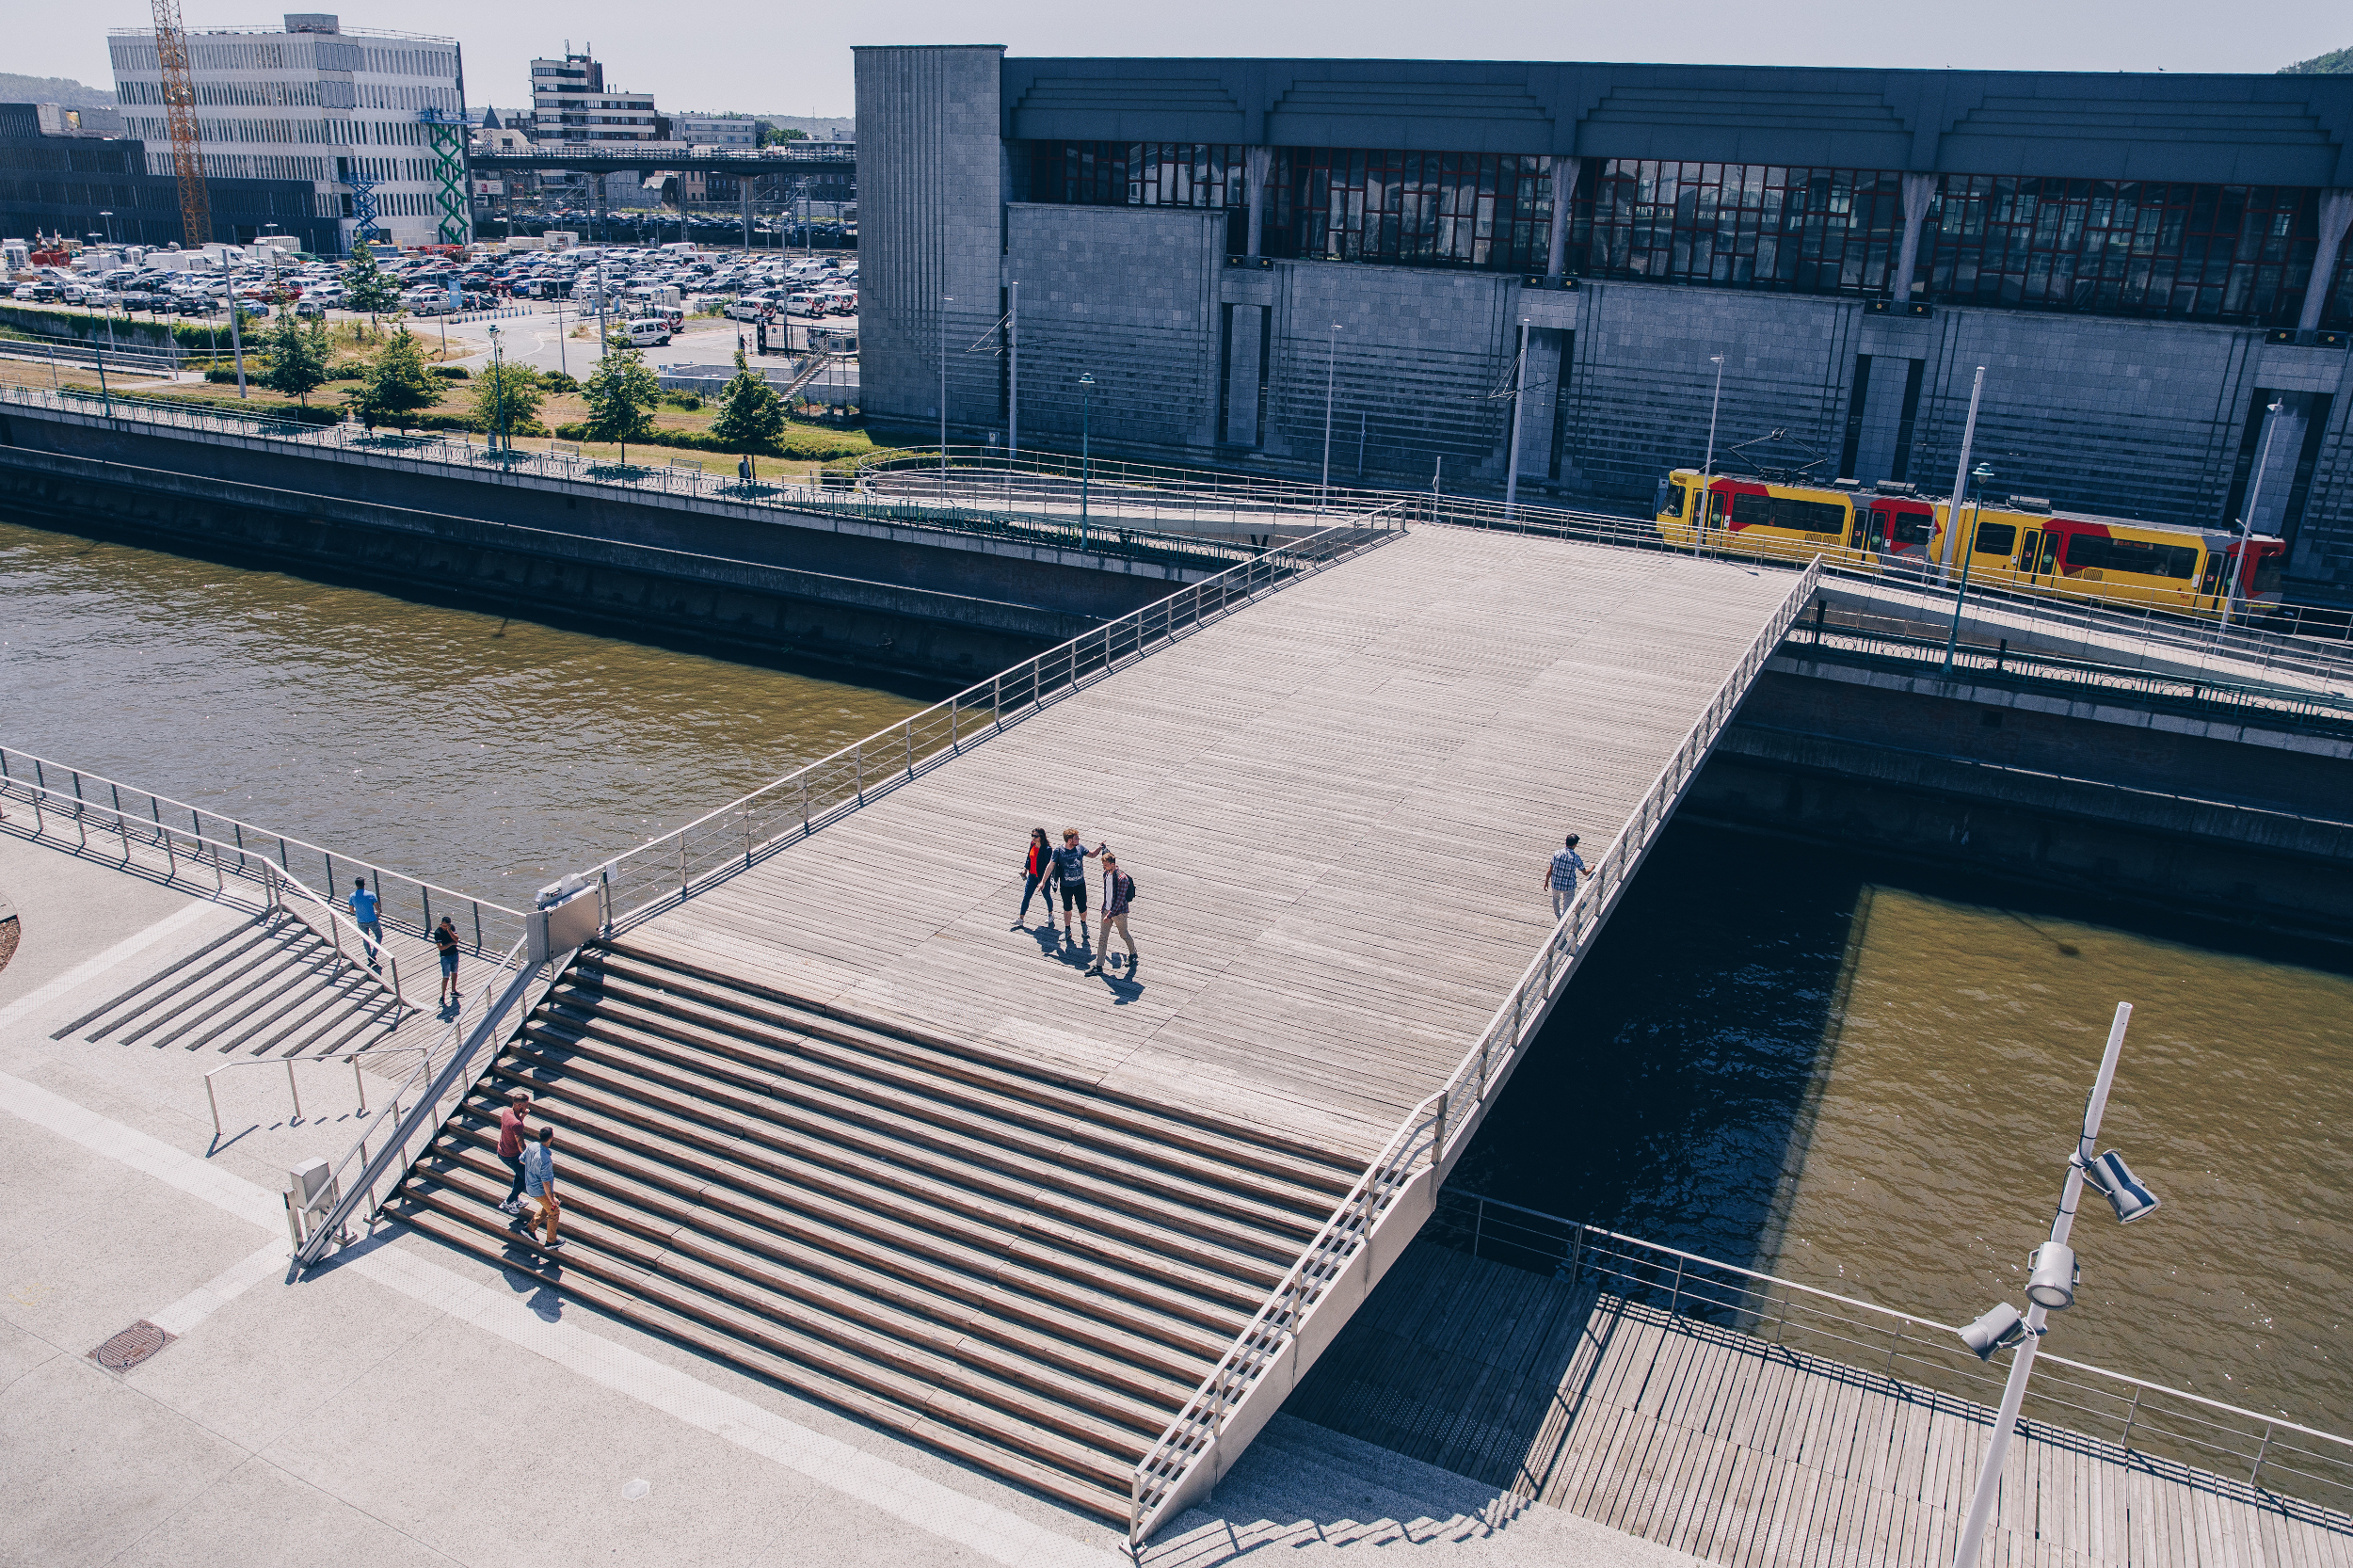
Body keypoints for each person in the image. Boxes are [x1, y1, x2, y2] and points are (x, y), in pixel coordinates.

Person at [1087, 852, 1138, 979]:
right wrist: (1104, 909)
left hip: (1119, 913)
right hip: (1107, 911)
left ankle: (1133, 954)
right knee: (1102, 938)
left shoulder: (1122, 879)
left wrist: (1109, 915)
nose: (1104, 868)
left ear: (1113, 864)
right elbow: (1108, 894)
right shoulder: (1106, 874)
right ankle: (1099, 966)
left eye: (1106, 865)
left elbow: (1120, 900)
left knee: (1124, 934)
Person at [1050, 828, 1101, 947]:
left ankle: (1084, 924)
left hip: (1080, 884)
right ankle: (1067, 930)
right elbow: (1051, 866)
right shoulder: (1059, 851)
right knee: (1067, 909)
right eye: (1076, 838)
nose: (1078, 839)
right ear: (1069, 840)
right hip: (1066, 886)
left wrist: (1100, 848)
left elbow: (1092, 854)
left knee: (1082, 908)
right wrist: (1043, 881)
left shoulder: (1080, 848)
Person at [519, 1124, 562, 1249]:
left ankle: (530, 1229)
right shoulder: (546, 1160)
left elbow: (522, 1159)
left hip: (530, 1185)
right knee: (554, 1211)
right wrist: (552, 1199)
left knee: (547, 1207)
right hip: (539, 1190)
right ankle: (551, 1241)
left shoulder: (532, 1146)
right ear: (550, 1138)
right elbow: (546, 1182)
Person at [495, 1088, 532, 1214]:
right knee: (526, 1177)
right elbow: (521, 1144)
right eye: (526, 1105)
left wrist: (523, 1116)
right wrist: (529, 1159)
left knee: (519, 1174)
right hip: (510, 1155)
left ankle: (515, 1199)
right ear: (520, 1105)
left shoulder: (506, 1112)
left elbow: (513, 1126)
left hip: (503, 1150)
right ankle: (509, 1202)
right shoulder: (517, 1124)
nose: (528, 1107)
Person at [1015, 827, 1053, 928]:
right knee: (1026, 896)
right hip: (1032, 875)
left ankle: (1050, 914)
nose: (1033, 838)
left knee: (1046, 896)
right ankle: (1021, 918)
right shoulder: (1032, 845)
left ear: (1041, 837)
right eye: (1032, 835)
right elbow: (1029, 858)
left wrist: (1044, 881)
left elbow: (1049, 866)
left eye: (1036, 836)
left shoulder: (1047, 850)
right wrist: (1025, 870)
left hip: (1042, 878)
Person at [1544, 834, 1586, 921]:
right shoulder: (1575, 857)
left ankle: (1559, 917)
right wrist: (1592, 868)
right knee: (1567, 907)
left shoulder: (1557, 853)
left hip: (1556, 884)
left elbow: (1550, 869)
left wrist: (1546, 881)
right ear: (1575, 845)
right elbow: (1585, 873)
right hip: (1569, 887)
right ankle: (1562, 921)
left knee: (1555, 900)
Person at [348, 877, 383, 973]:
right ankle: (373, 955)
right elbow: (377, 907)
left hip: (361, 921)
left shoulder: (352, 896)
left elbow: (351, 910)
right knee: (379, 936)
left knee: (365, 938)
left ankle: (369, 955)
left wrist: (357, 911)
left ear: (356, 885)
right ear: (364, 884)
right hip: (372, 920)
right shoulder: (371, 894)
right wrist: (379, 913)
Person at [434, 915, 461, 1005]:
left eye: (446, 926)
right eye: (443, 925)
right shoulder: (438, 932)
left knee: (455, 973)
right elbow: (441, 948)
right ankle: (443, 996)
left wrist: (450, 931)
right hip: (445, 957)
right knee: (446, 977)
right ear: (441, 923)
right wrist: (451, 943)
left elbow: (456, 939)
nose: (444, 927)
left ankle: (453, 991)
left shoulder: (451, 928)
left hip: (454, 954)